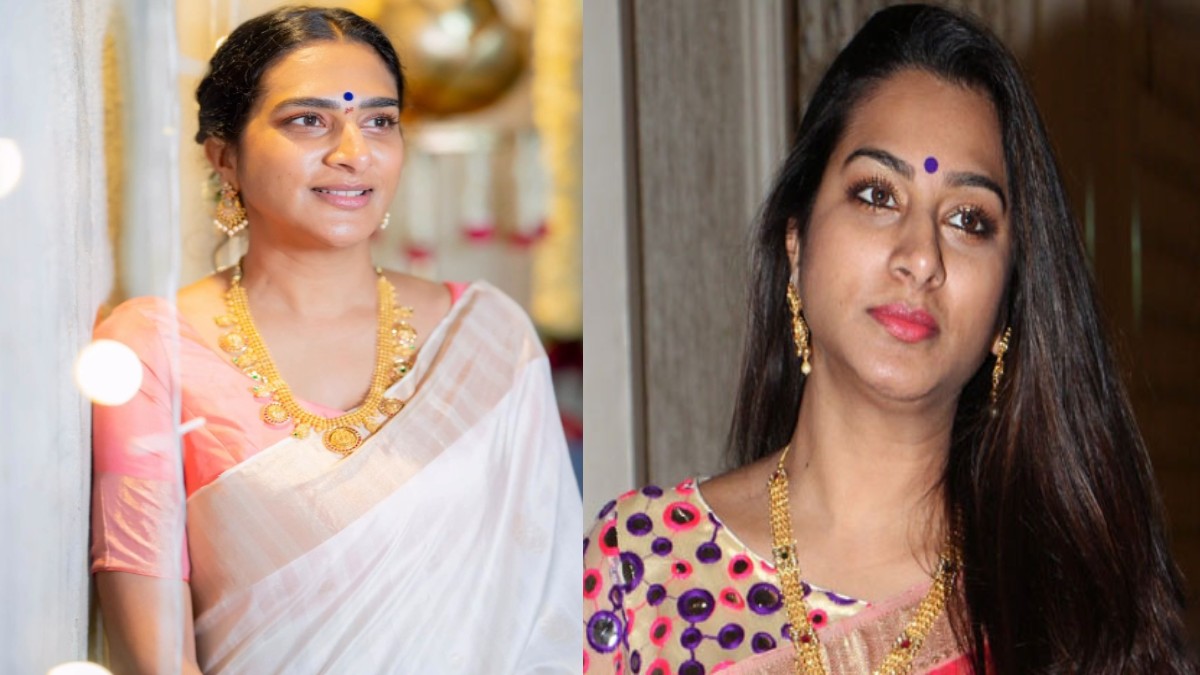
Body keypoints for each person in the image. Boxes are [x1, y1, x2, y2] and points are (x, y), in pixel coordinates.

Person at [583, 5, 1193, 674]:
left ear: (1008, 303)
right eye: (877, 195)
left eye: (968, 219)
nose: (920, 256)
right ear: (796, 242)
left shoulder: (1080, 614)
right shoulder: (639, 571)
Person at [91, 7, 580, 673]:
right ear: (225, 156)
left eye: (379, 121)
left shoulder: (486, 336)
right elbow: (155, 661)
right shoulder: (154, 351)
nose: (354, 152)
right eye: (308, 121)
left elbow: (547, 615)